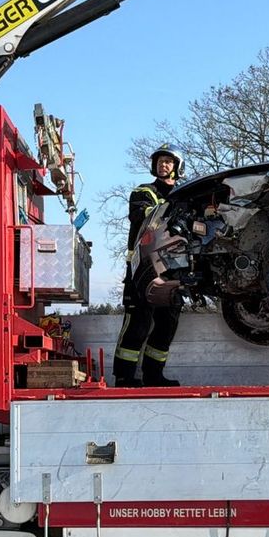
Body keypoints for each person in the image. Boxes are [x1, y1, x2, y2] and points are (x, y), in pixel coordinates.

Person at [114, 144, 184, 387]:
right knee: (138, 322)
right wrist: (176, 209)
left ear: (177, 167)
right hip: (142, 269)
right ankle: (124, 376)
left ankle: (154, 375)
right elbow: (142, 215)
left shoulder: (185, 194)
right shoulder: (144, 192)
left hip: (173, 270)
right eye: (160, 161)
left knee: (167, 324)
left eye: (168, 161)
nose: (163, 165)